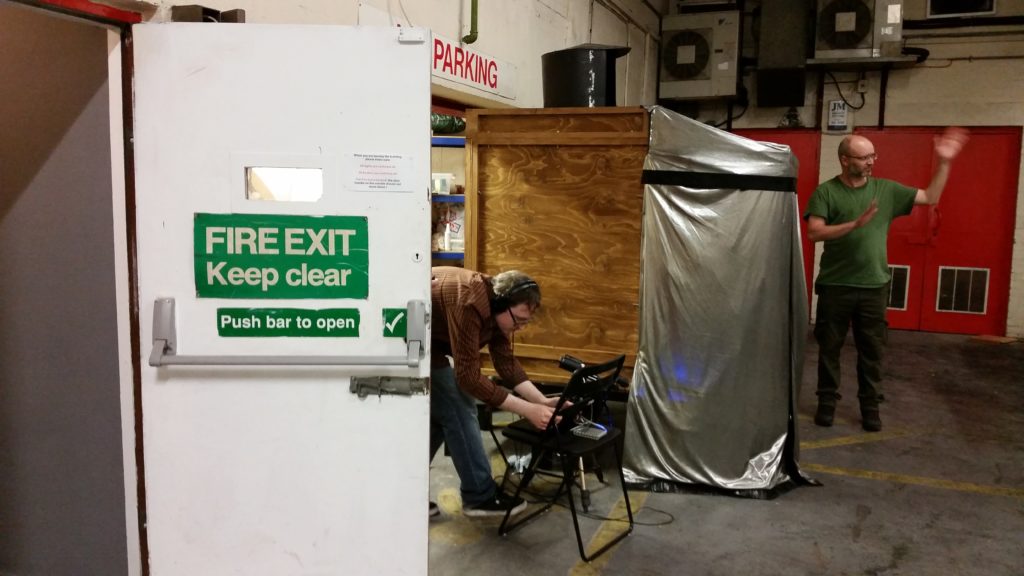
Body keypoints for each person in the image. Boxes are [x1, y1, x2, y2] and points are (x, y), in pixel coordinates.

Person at [805, 128, 969, 432]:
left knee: (872, 351)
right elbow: (815, 233)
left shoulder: (886, 190)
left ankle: (870, 408)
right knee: (829, 348)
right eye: (864, 157)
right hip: (836, 286)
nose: (871, 162)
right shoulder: (826, 192)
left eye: (873, 156)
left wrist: (944, 162)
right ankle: (827, 403)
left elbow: (930, 196)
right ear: (844, 159)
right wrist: (854, 224)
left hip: (873, 287)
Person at [429, 266, 560, 517]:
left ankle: (403, 491)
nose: (520, 327)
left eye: (526, 322)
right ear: (501, 303)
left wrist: (542, 401)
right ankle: (479, 496)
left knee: (442, 418)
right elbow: (467, 377)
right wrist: (527, 409)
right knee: (460, 406)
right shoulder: (470, 302)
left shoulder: (498, 307)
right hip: (408, 337)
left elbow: (506, 364)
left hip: (431, 339)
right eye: (519, 321)